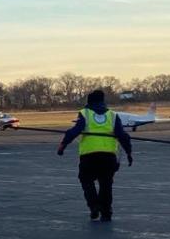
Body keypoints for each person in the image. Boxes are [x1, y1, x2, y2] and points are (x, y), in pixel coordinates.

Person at [57, 90, 133, 222]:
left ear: (89, 102)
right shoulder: (113, 115)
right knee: (106, 184)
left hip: (89, 156)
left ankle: (94, 205)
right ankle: (106, 212)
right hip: (108, 157)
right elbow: (122, 136)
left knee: (86, 180)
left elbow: (75, 131)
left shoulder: (85, 113)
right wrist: (128, 152)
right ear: (103, 101)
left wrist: (63, 145)